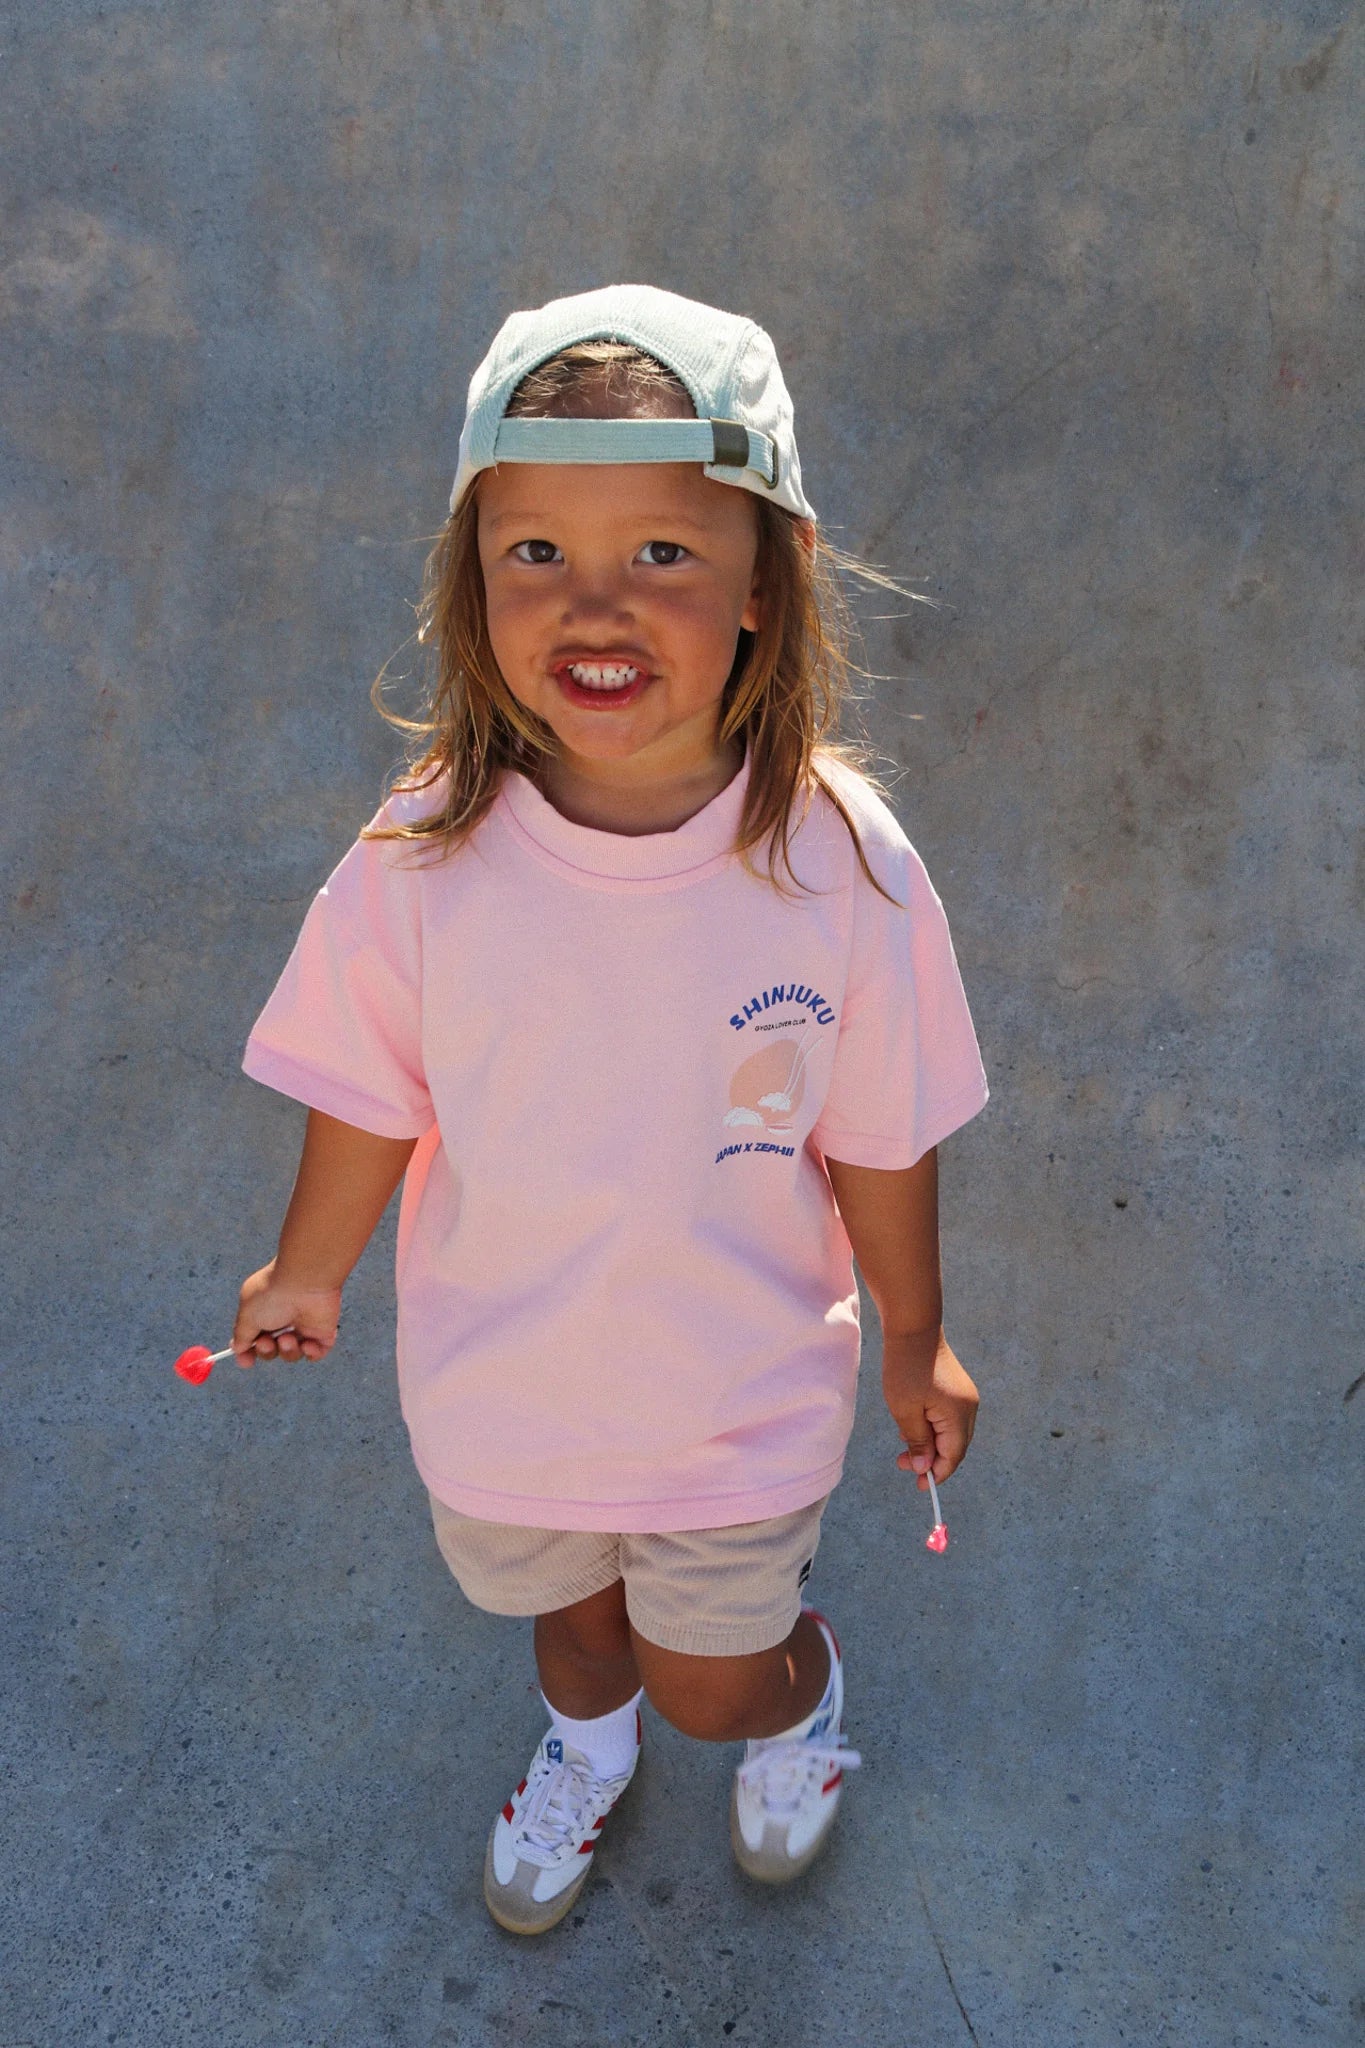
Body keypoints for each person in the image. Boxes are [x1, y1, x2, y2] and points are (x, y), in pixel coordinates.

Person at [233, 284, 989, 1936]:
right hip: (502, 1384)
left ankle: (794, 1706)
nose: (596, 604)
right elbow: (368, 1088)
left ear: (763, 590)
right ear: (469, 578)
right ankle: (583, 1747)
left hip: (734, 1388)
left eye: (659, 555)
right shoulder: (423, 849)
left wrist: (918, 1335)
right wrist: (309, 1271)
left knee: (706, 1682)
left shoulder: (839, 863)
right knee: (575, 1633)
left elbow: (882, 1126)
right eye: (535, 555)